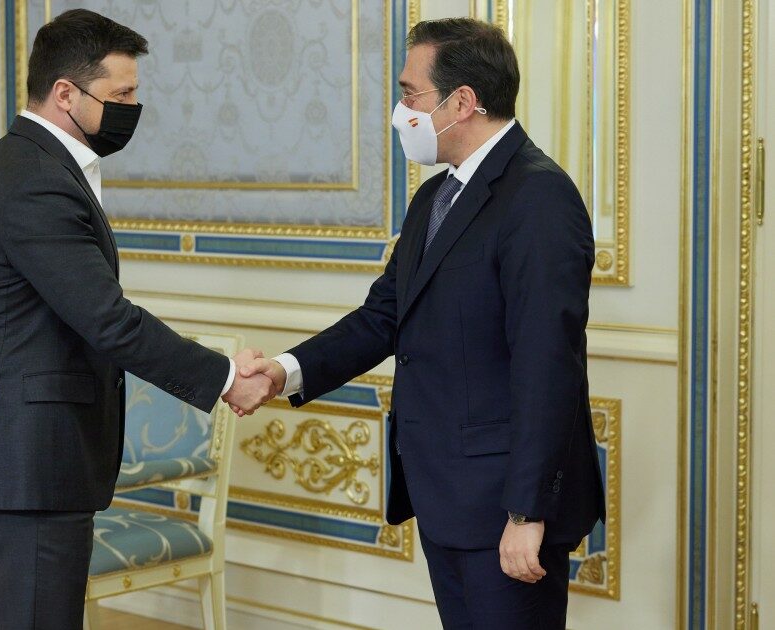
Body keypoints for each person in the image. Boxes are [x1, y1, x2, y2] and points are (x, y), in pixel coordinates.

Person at [239, 17, 604, 629]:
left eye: (411, 94)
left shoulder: (538, 197)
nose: (401, 111)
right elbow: (383, 316)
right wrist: (283, 372)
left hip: (505, 507)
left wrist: (526, 512)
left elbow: (548, 365)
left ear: (462, 102)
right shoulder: (434, 197)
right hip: (446, 496)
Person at [0, 9, 274, 628]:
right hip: (33, 461)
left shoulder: (37, 164)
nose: (132, 109)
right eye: (121, 96)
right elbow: (109, 321)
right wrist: (227, 377)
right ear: (65, 93)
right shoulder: (35, 180)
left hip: (42, 459)